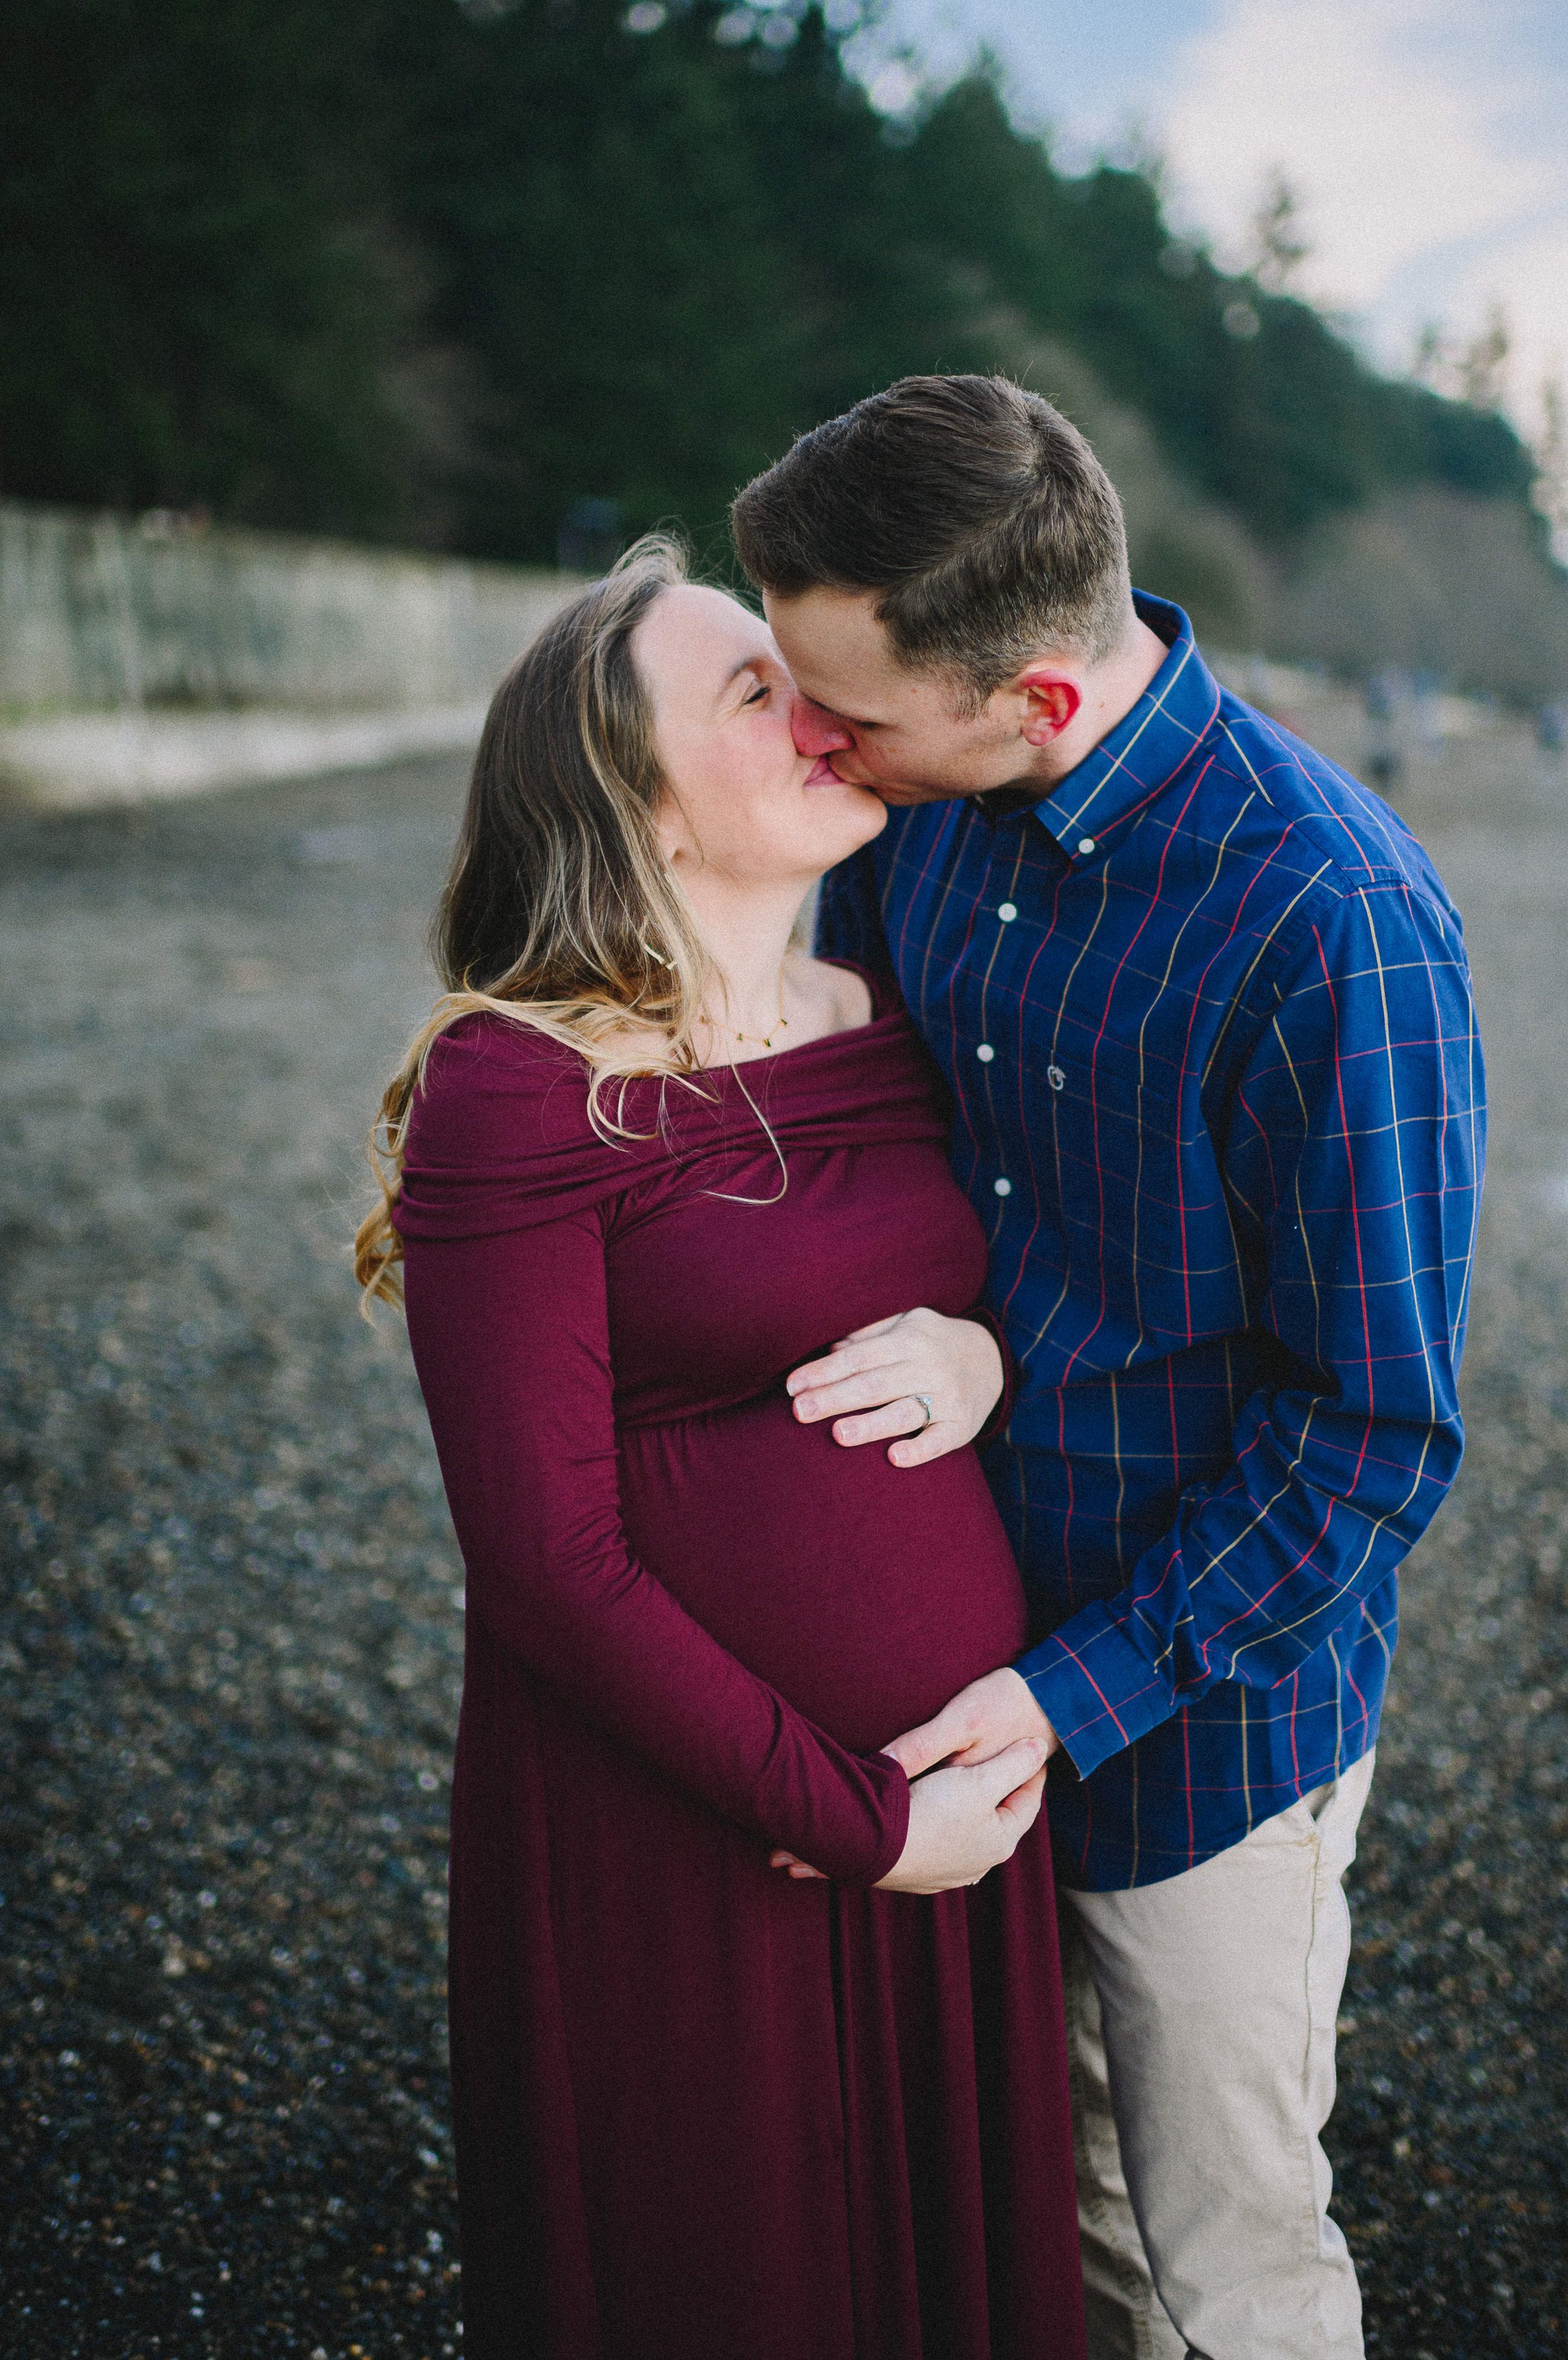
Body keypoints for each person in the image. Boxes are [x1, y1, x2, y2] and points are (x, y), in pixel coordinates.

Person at [733, 375, 1488, 2360]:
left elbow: (1373, 1435)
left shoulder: (1333, 922)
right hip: (925, 1634)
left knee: (1221, 2251)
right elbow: (875, 1141)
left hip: (1202, 1714)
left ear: (1035, 704)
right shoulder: (916, 824)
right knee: (1056, 2227)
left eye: (851, 717)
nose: (812, 744)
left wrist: (1069, 1700)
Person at [353, 536, 1088, 2360]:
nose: (821, 709)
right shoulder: (517, 1088)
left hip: (946, 1805)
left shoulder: (885, 1019)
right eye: (754, 690)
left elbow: (1002, 1277)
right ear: (635, 799)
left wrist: (985, 1354)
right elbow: (542, 1562)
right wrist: (854, 1824)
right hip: (697, 1834)